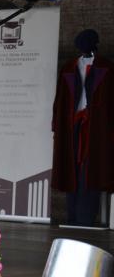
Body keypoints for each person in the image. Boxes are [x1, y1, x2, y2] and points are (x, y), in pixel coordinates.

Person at [51, 29, 114, 226]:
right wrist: (57, 124)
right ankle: (72, 218)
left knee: (90, 171)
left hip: (98, 128)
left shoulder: (107, 68)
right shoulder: (69, 68)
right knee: (72, 170)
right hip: (71, 126)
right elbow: (60, 99)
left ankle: (85, 219)